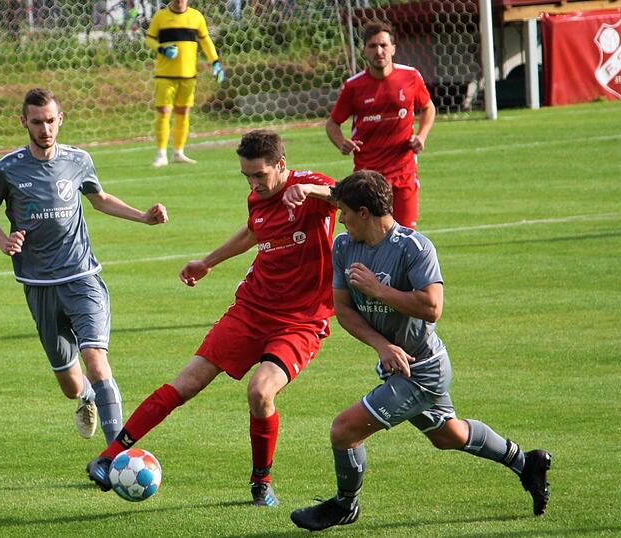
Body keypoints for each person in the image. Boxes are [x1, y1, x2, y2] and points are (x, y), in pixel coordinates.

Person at [289, 171, 551, 531]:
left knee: (344, 430)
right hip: (397, 364)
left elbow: (432, 307)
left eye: (344, 210)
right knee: (450, 436)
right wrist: (381, 345)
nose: (341, 217)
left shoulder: (414, 248)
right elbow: (344, 310)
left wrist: (379, 291)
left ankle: (345, 505)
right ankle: (526, 462)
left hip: (423, 368)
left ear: (364, 212)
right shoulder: (344, 246)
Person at [86, 129, 337, 506]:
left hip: (301, 320)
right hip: (252, 308)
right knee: (186, 382)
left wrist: (312, 193)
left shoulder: (311, 187)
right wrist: (207, 262)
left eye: (260, 176)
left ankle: (261, 481)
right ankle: (107, 457)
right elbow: (254, 232)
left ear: (281, 165)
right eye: (247, 177)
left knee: (260, 391)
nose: (253, 184)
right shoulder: (258, 198)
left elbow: (352, 195)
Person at [0, 88, 169, 446]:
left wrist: (143, 217)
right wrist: (3, 240)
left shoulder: (78, 160)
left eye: (51, 121)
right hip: (38, 284)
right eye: (37, 122)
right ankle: (86, 398)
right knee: (70, 384)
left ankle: (115, 455)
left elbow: (100, 200)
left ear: (60, 119)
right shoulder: (6, 169)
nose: (45, 129)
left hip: (82, 277)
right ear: (24, 123)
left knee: (96, 361)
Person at [326, 21, 436, 228]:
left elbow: (428, 107)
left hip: (404, 172)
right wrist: (341, 142)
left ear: (393, 48)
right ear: (364, 51)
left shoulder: (410, 76)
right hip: (368, 176)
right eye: (372, 46)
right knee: (370, 234)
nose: (379, 51)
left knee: (405, 233)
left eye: (383, 45)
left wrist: (421, 136)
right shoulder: (354, 86)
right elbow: (332, 123)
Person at [145, 0, 225, 167]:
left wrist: (215, 62)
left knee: (183, 112)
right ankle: (161, 154)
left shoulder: (196, 17)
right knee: (164, 112)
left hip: (188, 75)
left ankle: (179, 152)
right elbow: (150, 39)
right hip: (165, 75)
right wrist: (162, 49)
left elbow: (205, 41)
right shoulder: (161, 16)